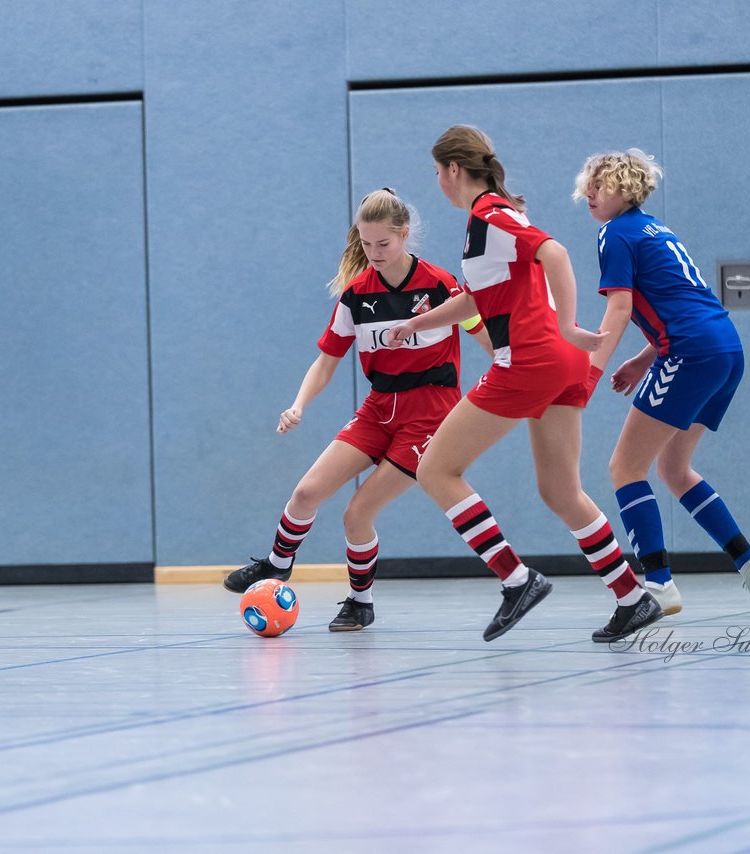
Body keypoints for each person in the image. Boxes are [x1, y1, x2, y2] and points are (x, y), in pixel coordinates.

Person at [387, 125, 663, 643]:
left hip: (529, 361)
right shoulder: (494, 215)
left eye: (436, 172)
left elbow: (554, 254)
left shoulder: (490, 215)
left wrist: (565, 324)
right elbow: (477, 299)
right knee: (560, 490)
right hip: (560, 366)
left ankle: (517, 580)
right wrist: (414, 325)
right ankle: (632, 597)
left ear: (451, 170)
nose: (437, 182)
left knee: (435, 470)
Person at [225, 188, 491, 631]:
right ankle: (276, 564)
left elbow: (484, 338)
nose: (374, 253)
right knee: (307, 493)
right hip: (377, 408)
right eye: (366, 245)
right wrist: (298, 405)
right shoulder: (355, 296)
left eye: (383, 244)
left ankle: (360, 602)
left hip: (430, 413)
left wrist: (510, 377)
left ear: (404, 235)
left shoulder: (442, 285)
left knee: (357, 513)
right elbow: (326, 362)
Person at [575, 148, 750, 617]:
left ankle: (660, 584)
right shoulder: (659, 229)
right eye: (587, 183)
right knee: (673, 468)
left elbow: (621, 308)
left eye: (600, 185)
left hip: (690, 353)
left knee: (625, 468)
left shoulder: (614, 234)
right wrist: (645, 360)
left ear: (625, 190)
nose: (589, 193)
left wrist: (590, 372)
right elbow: (684, 302)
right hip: (724, 348)